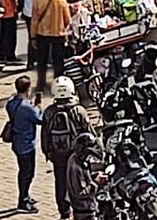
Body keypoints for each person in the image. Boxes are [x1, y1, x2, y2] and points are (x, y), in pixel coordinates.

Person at [41, 77, 92, 220]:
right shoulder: (79, 110)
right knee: (81, 181)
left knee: (61, 182)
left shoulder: (49, 112)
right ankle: (79, 210)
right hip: (77, 154)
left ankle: (64, 212)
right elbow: (88, 132)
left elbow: (45, 135)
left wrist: (47, 152)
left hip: (58, 155)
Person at [6, 75, 44, 213]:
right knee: (27, 173)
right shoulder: (26, 107)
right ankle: (23, 199)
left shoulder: (11, 103)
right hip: (27, 144)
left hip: (17, 141)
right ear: (28, 89)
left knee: (23, 171)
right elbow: (40, 119)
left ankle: (25, 195)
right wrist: (38, 106)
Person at [32, 0, 72, 93]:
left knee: (42, 61)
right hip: (58, 35)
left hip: (42, 34)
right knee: (58, 61)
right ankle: (58, 84)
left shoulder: (38, 0)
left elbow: (34, 20)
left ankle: (41, 84)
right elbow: (67, 20)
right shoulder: (61, 0)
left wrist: (33, 37)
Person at [66, 132, 108, 220]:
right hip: (84, 211)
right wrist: (96, 182)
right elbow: (80, 193)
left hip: (86, 209)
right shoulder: (75, 167)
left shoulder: (78, 161)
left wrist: (95, 175)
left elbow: (85, 178)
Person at [21, 0, 47, 69]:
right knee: (35, 39)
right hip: (34, 14)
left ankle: (32, 61)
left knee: (34, 38)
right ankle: (32, 61)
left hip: (29, 12)